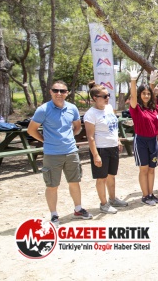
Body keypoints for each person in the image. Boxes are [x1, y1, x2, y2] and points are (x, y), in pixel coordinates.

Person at [28, 81, 93, 226]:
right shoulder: (43, 110)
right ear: (50, 92)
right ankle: (54, 215)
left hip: (71, 152)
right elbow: (31, 130)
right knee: (52, 185)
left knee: (74, 182)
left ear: (67, 93)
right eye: (55, 90)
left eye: (62, 91)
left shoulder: (72, 108)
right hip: (52, 154)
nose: (59, 93)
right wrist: (45, 141)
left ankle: (78, 209)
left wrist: (68, 138)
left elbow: (77, 127)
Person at [84, 82, 126, 214]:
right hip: (101, 149)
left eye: (108, 95)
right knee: (101, 177)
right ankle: (103, 204)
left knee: (111, 176)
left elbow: (114, 127)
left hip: (112, 146)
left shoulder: (109, 108)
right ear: (95, 98)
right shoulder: (91, 114)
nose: (107, 98)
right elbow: (90, 137)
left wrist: (118, 140)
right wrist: (96, 155)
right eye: (104, 96)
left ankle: (113, 199)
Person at [128, 66, 158, 206]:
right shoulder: (136, 108)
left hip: (153, 142)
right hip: (141, 141)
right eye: (143, 93)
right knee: (143, 169)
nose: (146, 96)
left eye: (148, 94)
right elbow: (132, 97)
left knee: (151, 169)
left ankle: (151, 194)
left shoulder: (153, 109)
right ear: (139, 95)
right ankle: (145, 196)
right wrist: (133, 81)